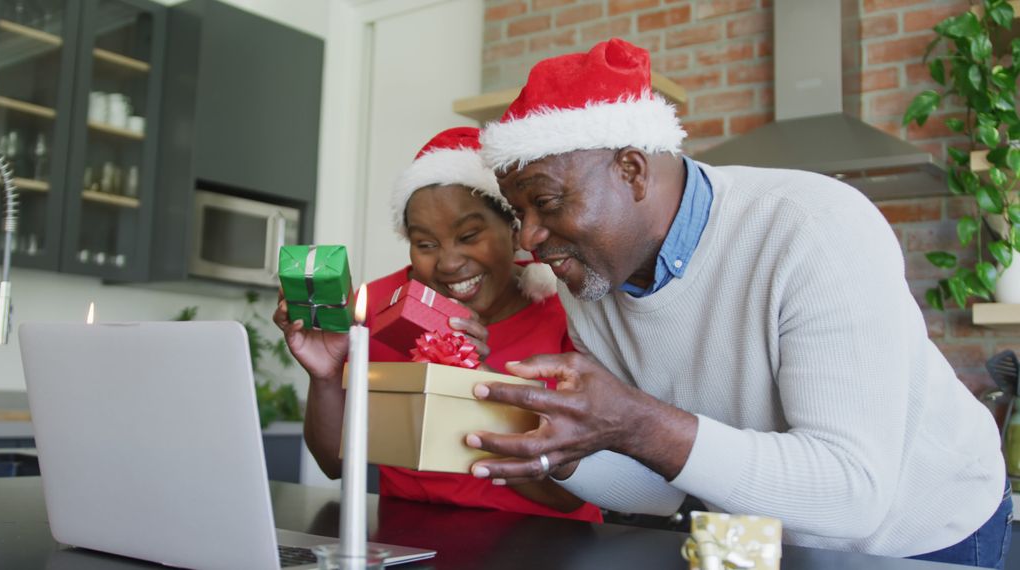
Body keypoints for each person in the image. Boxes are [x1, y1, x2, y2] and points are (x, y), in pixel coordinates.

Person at [461, 38, 1011, 567]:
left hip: (917, 534)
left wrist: (636, 423)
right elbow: (659, 489)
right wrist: (566, 449)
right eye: (519, 212)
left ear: (631, 170)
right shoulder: (592, 276)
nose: (529, 238)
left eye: (548, 202)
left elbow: (851, 494)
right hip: (760, 534)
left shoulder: (813, 228)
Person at [274, 127, 602, 523]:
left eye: (468, 235)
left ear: (515, 231)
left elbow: (566, 497)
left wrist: (469, 386)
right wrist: (325, 377)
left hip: (546, 544)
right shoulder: (375, 309)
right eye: (425, 244)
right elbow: (334, 462)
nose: (447, 263)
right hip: (410, 539)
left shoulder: (569, 311)